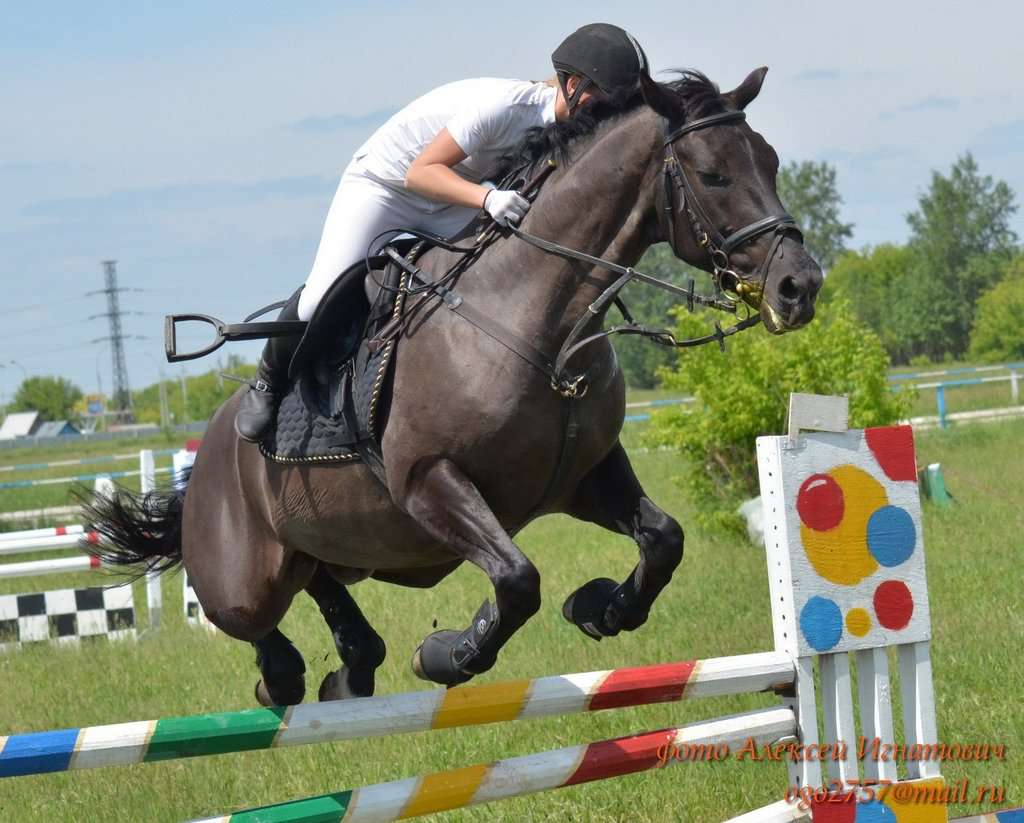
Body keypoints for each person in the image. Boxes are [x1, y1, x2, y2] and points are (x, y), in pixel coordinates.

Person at [236, 23, 650, 442]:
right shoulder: (502, 107)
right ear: (575, 84)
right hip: (387, 187)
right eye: (607, 100)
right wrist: (487, 200)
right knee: (318, 299)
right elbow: (421, 173)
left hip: (454, 198)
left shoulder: (568, 127)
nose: (610, 114)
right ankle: (268, 381)